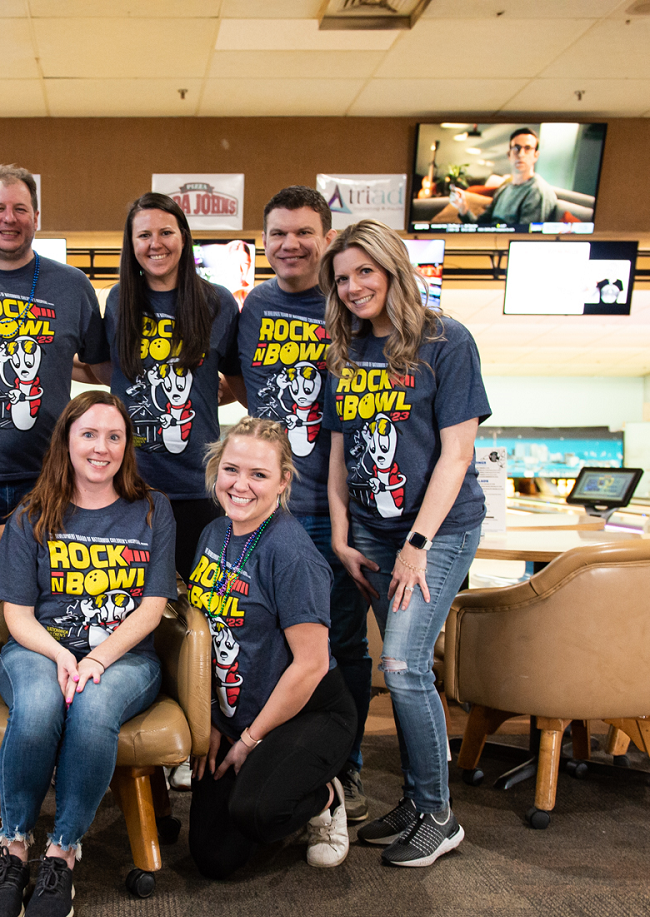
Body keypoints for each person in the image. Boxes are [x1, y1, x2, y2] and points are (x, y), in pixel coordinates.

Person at [322, 218, 491, 867]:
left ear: (393, 268)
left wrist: (417, 543)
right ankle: (418, 803)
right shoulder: (348, 347)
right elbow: (341, 450)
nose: (353, 286)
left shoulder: (447, 340)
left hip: (437, 531)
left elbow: (456, 454)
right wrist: (341, 531)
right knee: (396, 663)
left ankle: (440, 815)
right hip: (368, 532)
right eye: (342, 278)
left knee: (403, 665)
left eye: (364, 271)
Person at [0, 391, 177, 917]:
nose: (102, 447)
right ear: (66, 440)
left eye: (114, 436)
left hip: (125, 657)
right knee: (39, 705)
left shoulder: (153, 509)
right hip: (39, 647)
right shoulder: (33, 513)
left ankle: (62, 852)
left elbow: (153, 608)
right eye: (89, 434)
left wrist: (98, 660)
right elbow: (17, 616)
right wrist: (64, 655)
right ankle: (14, 846)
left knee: (90, 709)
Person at [222, 185, 373, 823]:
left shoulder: (348, 307)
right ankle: (271, 752)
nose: (290, 244)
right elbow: (229, 378)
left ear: (326, 239)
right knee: (261, 640)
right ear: (263, 242)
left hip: (330, 505)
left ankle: (346, 768)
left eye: (304, 232)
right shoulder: (253, 304)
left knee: (341, 646)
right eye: (278, 233)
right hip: (266, 507)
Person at [186, 417, 358, 878]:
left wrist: (248, 740)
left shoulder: (292, 554)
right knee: (215, 858)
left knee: (259, 813)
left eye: (258, 475)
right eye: (231, 470)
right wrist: (212, 718)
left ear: (283, 481)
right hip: (241, 707)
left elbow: (310, 665)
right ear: (216, 470)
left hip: (308, 709)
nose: (241, 485)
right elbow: (204, 635)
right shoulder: (214, 533)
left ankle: (326, 797)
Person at [0, 164, 103, 526]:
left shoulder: (72, 286)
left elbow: (101, 365)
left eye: (20, 209)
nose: (9, 219)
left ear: (36, 217)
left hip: (49, 475)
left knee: (45, 582)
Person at [84, 192, 239, 571]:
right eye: (144, 235)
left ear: (183, 237)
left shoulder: (217, 303)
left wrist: (200, 396)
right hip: (128, 483)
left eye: (166, 232)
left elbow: (239, 380)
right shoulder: (119, 300)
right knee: (130, 597)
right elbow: (110, 371)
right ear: (131, 244)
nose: (155, 244)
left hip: (196, 485)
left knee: (193, 606)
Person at [449, 127, 560, 229]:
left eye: (527, 148)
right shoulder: (504, 189)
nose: (521, 154)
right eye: (516, 148)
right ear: (509, 155)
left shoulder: (537, 192)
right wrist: (463, 207)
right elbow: (480, 227)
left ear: (536, 155)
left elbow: (524, 238)